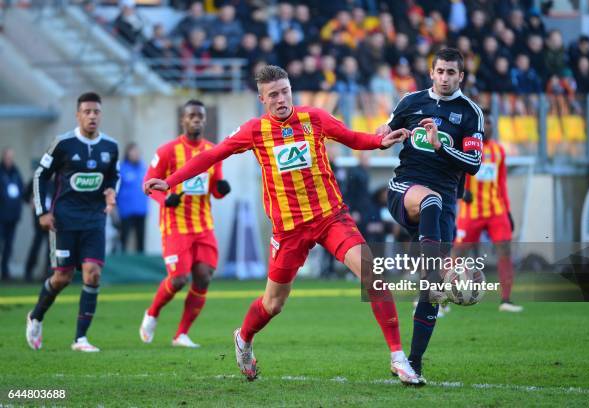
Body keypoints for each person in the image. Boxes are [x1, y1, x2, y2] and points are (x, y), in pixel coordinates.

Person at [145, 65, 420, 385]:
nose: (281, 98)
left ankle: (398, 358)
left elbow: (352, 138)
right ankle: (244, 338)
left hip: (330, 217)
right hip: (288, 230)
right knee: (273, 304)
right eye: (273, 94)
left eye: (285, 91)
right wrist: (170, 181)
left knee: (372, 274)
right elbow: (212, 156)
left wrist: (379, 141)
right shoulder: (254, 130)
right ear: (263, 99)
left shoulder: (313, 118)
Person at [378, 48, 484, 384]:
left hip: (445, 207)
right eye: (440, 71)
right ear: (431, 72)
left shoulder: (471, 114)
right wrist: (384, 134)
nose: (445, 77)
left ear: (461, 76)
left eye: (451, 72)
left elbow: (474, 164)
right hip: (405, 189)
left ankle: (414, 363)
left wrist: (441, 146)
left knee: (430, 292)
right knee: (430, 201)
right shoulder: (410, 102)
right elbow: (385, 133)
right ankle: (436, 269)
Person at [26, 92, 120, 352]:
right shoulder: (63, 144)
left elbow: (114, 176)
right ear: (78, 114)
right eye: (87, 111)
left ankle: (80, 339)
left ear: (101, 115)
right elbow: (40, 176)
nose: (92, 116)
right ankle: (35, 316)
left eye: (96, 111)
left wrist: (112, 192)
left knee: (93, 274)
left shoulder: (110, 147)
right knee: (63, 277)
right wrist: (42, 212)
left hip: (94, 219)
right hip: (64, 220)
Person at [139, 100, 231, 348]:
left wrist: (222, 189)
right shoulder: (168, 151)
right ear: (183, 120)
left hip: (203, 226)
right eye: (191, 115)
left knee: (203, 277)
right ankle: (153, 312)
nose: (196, 120)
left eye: (200, 116)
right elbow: (148, 183)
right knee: (179, 279)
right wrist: (164, 199)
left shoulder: (213, 152)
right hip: (175, 226)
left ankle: (181, 334)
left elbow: (216, 188)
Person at [456, 114, 523, 312]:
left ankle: (506, 300)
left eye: (490, 124)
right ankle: (443, 298)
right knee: (458, 253)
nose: (488, 127)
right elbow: (455, 171)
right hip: (471, 210)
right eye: (484, 123)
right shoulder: (466, 147)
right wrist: (461, 191)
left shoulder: (499, 151)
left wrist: (508, 212)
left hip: (496, 210)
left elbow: (502, 182)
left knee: (505, 250)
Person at [117, 143, 148, 253]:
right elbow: (115, 190)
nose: (135, 154)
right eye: (133, 151)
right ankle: (122, 262)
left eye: (137, 151)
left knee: (141, 240)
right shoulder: (121, 168)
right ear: (128, 153)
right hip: (126, 211)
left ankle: (142, 263)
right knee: (124, 239)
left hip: (141, 210)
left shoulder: (143, 168)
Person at [0, 147, 23, 281]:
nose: (9, 160)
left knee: (9, 245)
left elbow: (21, 189)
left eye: (11, 157)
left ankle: (5, 271)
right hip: (1, 215)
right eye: (7, 157)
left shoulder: (16, 172)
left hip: (13, 216)